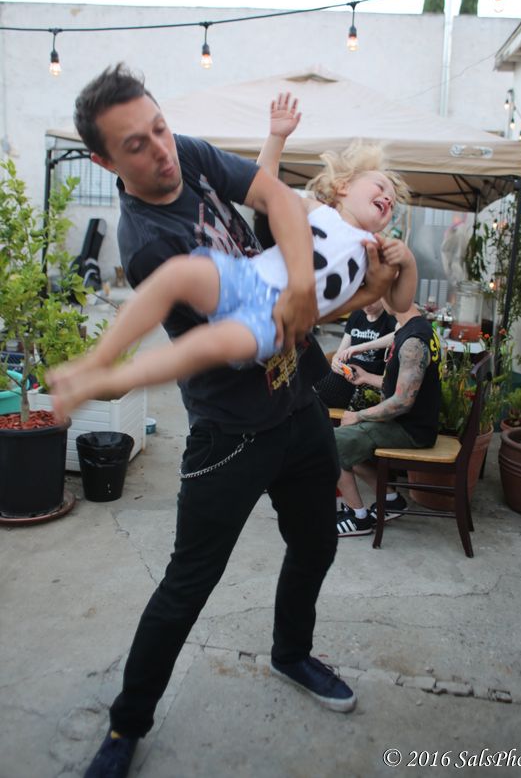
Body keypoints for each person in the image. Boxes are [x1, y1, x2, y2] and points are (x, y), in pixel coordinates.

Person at [59, 64, 416, 778]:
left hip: (299, 406)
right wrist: (332, 301)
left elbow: (274, 195)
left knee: (315, 542)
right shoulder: (148, 241)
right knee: (188, 583)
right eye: (136, 145)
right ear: (104, 162)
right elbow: (248, 340)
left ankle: (291, 653)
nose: (161, 150)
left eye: (159, 128)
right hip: (232, 430)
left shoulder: (185, 153)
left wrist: (313, 288)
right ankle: (127, 725)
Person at [50, 144, 414, 418]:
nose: (387, 198)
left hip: (270, 321)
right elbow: (266, 188)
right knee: (177, 273)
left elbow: (399, 303)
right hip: (249, 276)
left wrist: (408, 262)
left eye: (392, 202)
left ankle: (111, 381)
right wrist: (276, 137)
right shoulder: (321, 212)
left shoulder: (376, 251)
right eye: (380, 185)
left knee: (202, 348)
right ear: (344, 186)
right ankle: (98, 359)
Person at [334, 302, 442, 538]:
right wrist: (365, 377)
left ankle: (358, 519)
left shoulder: (414, 341)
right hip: (407, 423)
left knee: (329, 444)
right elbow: (402, 385)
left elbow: (402, 401)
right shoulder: (415, 328)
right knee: (348, 447)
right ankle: (391, 500)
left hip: (409, 429)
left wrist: (358, 416)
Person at [315, 299, 397, 409]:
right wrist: (335, 360)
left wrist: (362, 347)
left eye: (372, 300)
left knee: (320, 389)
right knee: (315, 378)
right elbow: (341, 351)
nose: (367, 306)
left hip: (369, 378)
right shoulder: (356, 315)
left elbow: (399, 333)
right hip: (348, 374)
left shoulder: (390, 318)